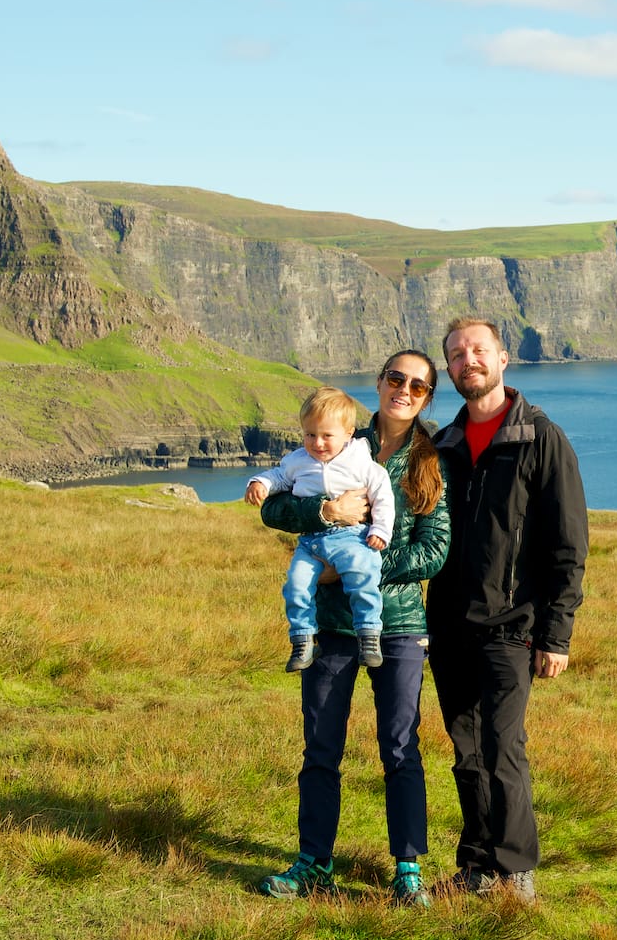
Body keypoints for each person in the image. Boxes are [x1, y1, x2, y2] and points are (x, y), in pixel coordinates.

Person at [253, 353, 452, 905]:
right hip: (330, 627)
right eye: (395, 379)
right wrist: (325, 512)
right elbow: (274, 510)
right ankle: (313, 862)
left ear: (428, 396)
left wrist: (350, 570)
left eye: (417, 384)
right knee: (321, 746)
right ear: (380, 383)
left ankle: (408, 869)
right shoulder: (334, 434)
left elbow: (434, 549)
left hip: (401, 624)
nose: (403, 390)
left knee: (399, 745)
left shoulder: (430, 461)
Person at [426, 317, 588, 903]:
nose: (467, 360)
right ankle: (474, 865)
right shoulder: (440, 446)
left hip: (512, 629)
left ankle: (516, 872)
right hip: (447, 627)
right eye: (456, 354)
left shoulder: (542, 439)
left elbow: (569, 546)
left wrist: (557, 634)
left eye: (478, 350)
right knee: (465, 749)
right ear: (449, 370)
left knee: (502, 747)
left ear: (502, 359)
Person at [245, 387, 395, 672]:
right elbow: (277, 477)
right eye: (310, 434)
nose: (318, 443)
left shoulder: (361, 462)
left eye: (327, 435)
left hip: (351, 537)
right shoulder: (298, 460)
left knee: (363, 577)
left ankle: (369, 634)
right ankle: (302, 638)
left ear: (348, 433)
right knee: (296, 586)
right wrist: (259, 484)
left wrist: (381, 530)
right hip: (311, 542)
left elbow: (382, 495)